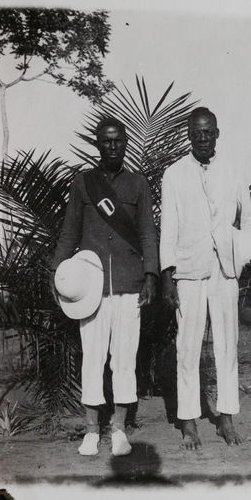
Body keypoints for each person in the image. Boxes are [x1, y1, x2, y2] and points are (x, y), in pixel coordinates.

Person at [160, 107, 251, 450]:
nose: (202, 138)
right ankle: (189, 422)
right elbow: (168, 228)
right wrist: (168, 276)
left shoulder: (233, 170)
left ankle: (226, 419)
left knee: (228, 345)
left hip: (225, 270)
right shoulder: (174, 174)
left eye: (208, 132)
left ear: (217, 134)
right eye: (196, 132)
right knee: (187, 347)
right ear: (189, 135)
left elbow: (249, 217)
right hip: (189, 270)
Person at [51, 117, 158, 456]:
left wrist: (151, 276)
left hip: (129, 283)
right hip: (91, 287)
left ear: (125, 143)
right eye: (106, 141)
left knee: (124, 359)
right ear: (97, 144)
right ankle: (91, 430)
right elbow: (69, 231)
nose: (113, 146)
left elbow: (146, 234)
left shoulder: (138, 184)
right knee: (92, 358)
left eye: (118, 140)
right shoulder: (83, 184)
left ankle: (119, 430)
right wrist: (58, 274)